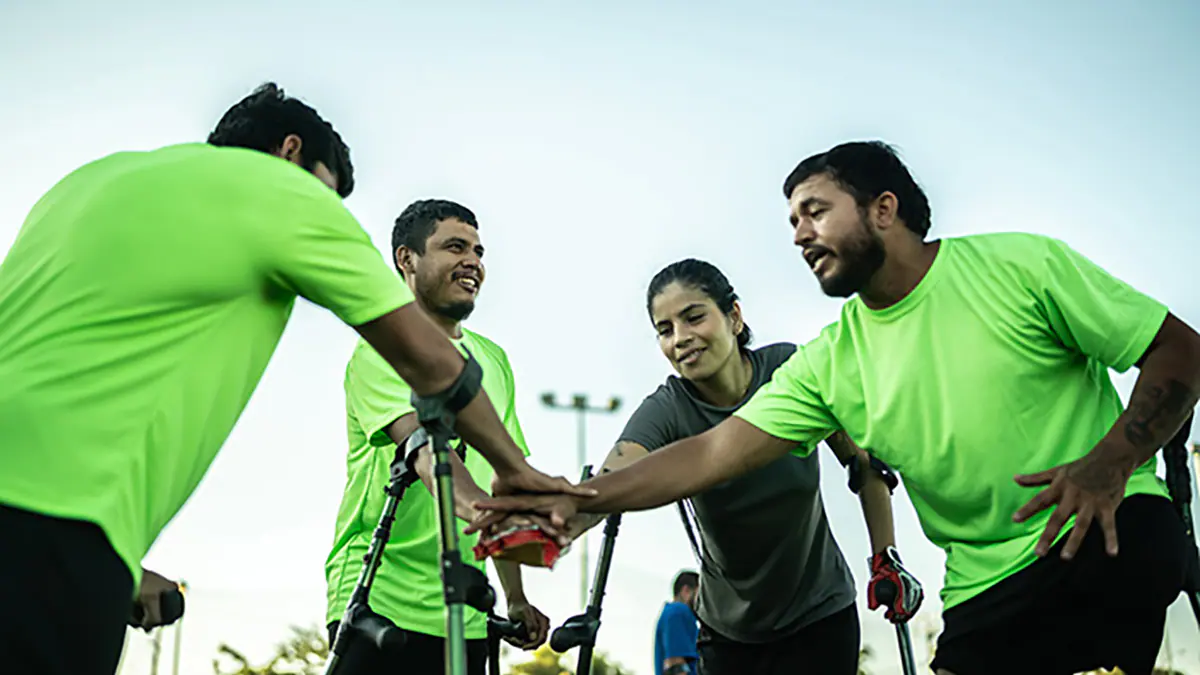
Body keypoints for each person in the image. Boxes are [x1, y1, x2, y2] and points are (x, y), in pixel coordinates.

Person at [468, 141, 1200, 675]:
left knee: (1138, 547)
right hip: (982, 583)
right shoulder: (829, 360)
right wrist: (574, 495)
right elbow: (711, 453)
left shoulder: (1019, 265)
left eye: (815, 210)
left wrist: (1112, 461)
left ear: (884, 209)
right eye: (792, 220)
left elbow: (1179, 351)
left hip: (1099, 532)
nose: (798, 233)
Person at [0, 83, 586, 675]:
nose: (328, 217)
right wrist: (518, 473)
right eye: (328, 197)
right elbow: (428, 360)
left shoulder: (85, 184)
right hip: (60, 531)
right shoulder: (279, 193)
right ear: (290, 154)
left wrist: (128, 565)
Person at [533, 258, 921, 674]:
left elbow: (864, 465)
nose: (680, 339)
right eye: (665, 330)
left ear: (734, 317)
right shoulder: (668, 409)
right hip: (728, 632)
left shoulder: (789, 372)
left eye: (693, 317)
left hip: (820, 615)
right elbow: (613, 483)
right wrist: (554, 522)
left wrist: (886, 557)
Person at [325, 199, 552, 674]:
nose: (473, 262)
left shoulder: (494, 361)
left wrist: (514, 596)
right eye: (454, 247)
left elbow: (501, 480)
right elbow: (426, 453)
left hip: (467, 611)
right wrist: (485, 512)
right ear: (407, 259)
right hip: (379, 598)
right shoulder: (381, 350)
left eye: (478, 250)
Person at [654, 571, 700, 675]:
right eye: (699, 595)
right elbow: (675, 666)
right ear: (686, 591)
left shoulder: (673, 614)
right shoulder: (677, 611)